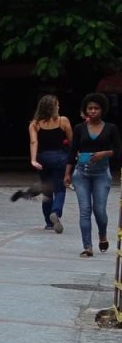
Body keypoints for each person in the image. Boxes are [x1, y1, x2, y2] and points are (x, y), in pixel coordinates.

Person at [64, 92, 122, 258]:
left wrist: (104, 153)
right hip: (81, 173)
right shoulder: (79, 128)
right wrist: (67, 173)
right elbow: (72, 151)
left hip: (101, 174)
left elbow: (118, 151)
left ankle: (102, 234)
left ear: (102, 110)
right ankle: (87, 246)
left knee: (99, 210)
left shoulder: (111, 128)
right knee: (85, 210)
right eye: (90, 108)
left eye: (96, 108)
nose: (93, 111)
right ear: (85, 110)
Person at [28, 95, 72, 232]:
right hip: (60, 157)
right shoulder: (63, 121)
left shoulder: (34, 124)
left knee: (47, 190)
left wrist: (33, 159)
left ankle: (48, 222)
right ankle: (56, 212)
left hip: (43, 158)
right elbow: (72, 140)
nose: (59, 107)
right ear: (53, 108)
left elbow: (34, 142)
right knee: (60, 189)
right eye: (57, 105)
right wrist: (74, 156)